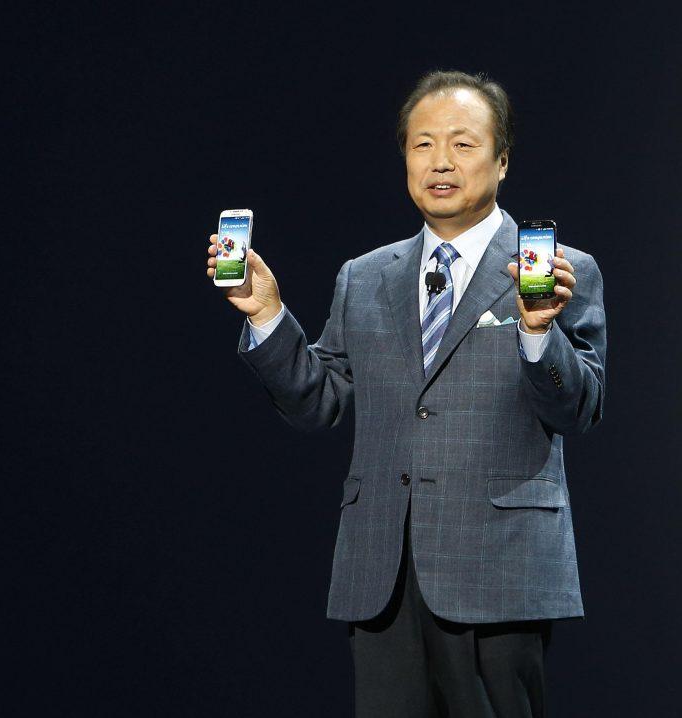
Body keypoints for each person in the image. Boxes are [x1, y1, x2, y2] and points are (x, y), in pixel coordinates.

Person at [206, 70, 606, 717]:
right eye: (422, 145)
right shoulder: (363, 277)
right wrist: (267, 317)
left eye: (463, 144)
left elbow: (579, 406)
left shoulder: (564, 272)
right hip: (382, 573)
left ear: (502, 160)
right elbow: (319, 402)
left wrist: (538, 334)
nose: (440, 162)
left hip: (497, 572)